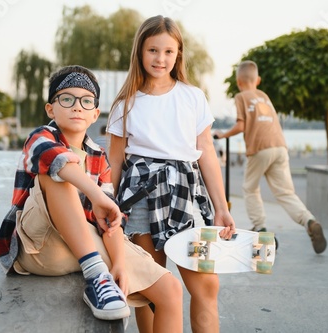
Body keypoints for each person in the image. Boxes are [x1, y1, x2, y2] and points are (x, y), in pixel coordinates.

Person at [0, 65, 183, 331]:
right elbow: (55, 160)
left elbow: (108, 220)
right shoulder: (40, 137)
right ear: (51, 109)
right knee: (56, 172)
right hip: (39, 245)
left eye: (86, 101)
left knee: (171, 289)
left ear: (95, 113)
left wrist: (118, 262)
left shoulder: (98, 156)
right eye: (67, 99)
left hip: (81, 245)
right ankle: (96, 275)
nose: (77, 107)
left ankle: (102, 272)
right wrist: (96, 195)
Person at [107, 16, 236, 333]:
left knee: (206, 285)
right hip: (140, 198)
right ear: (140, 52)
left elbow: (206, 149)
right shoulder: (125, 103)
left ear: (178, 54)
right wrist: (106, 208)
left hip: (185, 196)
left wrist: (221, 206)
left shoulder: (192, 97)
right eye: (152, 50)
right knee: (152, 288)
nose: (160, 58)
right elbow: (114, 162)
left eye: (168, 51)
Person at [213, 60, 327, 254]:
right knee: (285, 193)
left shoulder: (241, 97)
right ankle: (309, 221)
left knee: (250, 188)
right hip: (280, 147)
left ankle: (260, 228)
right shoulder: (264, 95)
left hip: (260, 148)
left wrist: (222, 134)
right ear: (258, 80)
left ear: (239, 81)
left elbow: (241, 126)